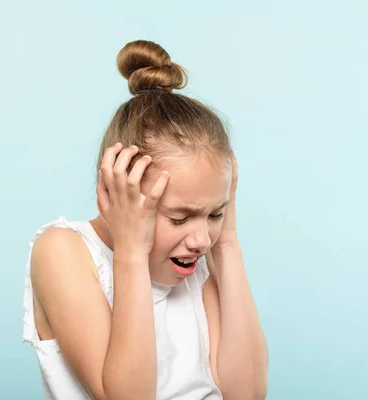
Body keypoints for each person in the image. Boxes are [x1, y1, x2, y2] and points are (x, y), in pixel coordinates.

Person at [21, 40, 269, 400]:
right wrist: (131, 252)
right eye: (179, 217)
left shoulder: (200, 261)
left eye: (215, 212)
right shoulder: (63, 251)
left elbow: (247, 394)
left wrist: (227, 242)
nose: (201, 239)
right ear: (118, 191)